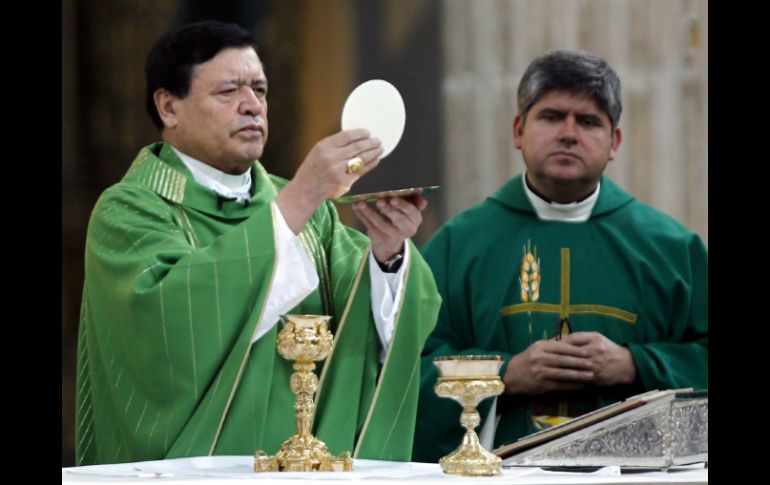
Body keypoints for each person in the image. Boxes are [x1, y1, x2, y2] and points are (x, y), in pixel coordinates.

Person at [75, 20, 441, 465]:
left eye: (260, 90)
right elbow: (169, 328)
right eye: (229, 91)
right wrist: (302, 195)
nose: (252, 105)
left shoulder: (311, 214)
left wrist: (387, 253)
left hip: (309, 468)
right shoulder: (130, 210)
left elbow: (368, 330)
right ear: (169, 107)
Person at [412, 49, 707, 462]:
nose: (569, 134)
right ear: (519, 130)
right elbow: (407, 371)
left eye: (588, 121)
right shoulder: (458, 246)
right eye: (551, 117)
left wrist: (633, 364)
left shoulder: (672, 249)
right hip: (498, 473)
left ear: (614, 142)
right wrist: (504, 374)